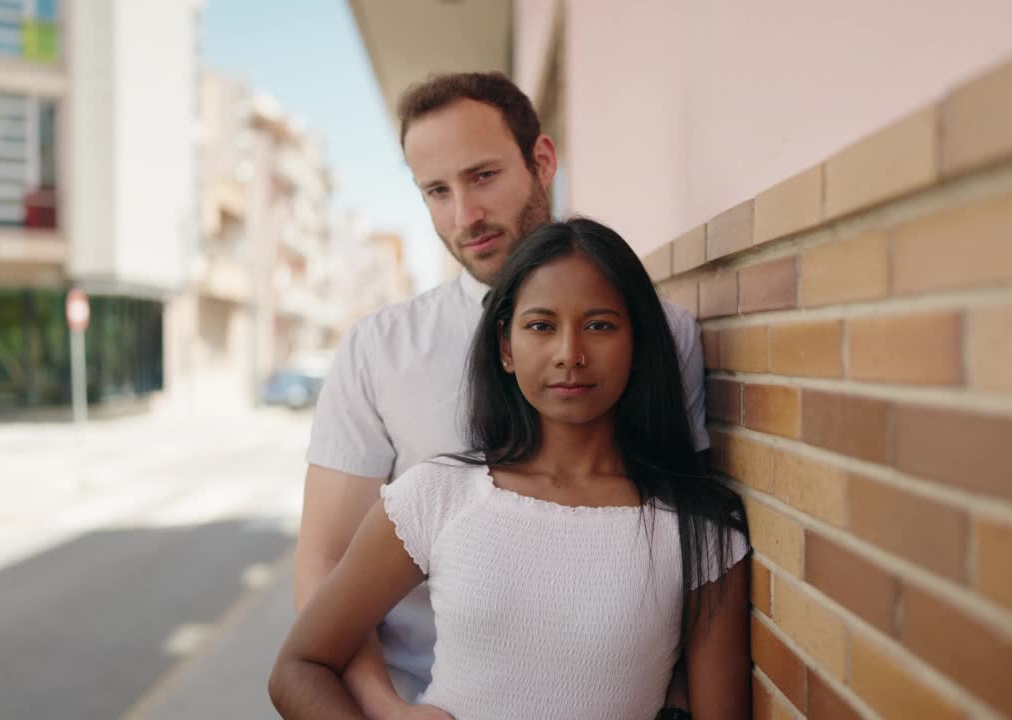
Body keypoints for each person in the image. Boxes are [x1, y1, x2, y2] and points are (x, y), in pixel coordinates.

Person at [293, 72, 710, 716]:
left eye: (482, 176)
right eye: (437, 190)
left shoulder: (657, 334)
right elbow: (325, 557)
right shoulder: (381, 348)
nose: (465, 216)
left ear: (541, 162)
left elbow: (687, 546)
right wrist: (388, 710)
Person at [271, 218, 751, 719]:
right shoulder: (436, 496)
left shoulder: (702, 531)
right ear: (505, 347)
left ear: (638, 345)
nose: (570, 354)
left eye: (600, 325)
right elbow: (300, 666)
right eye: (541, 326)